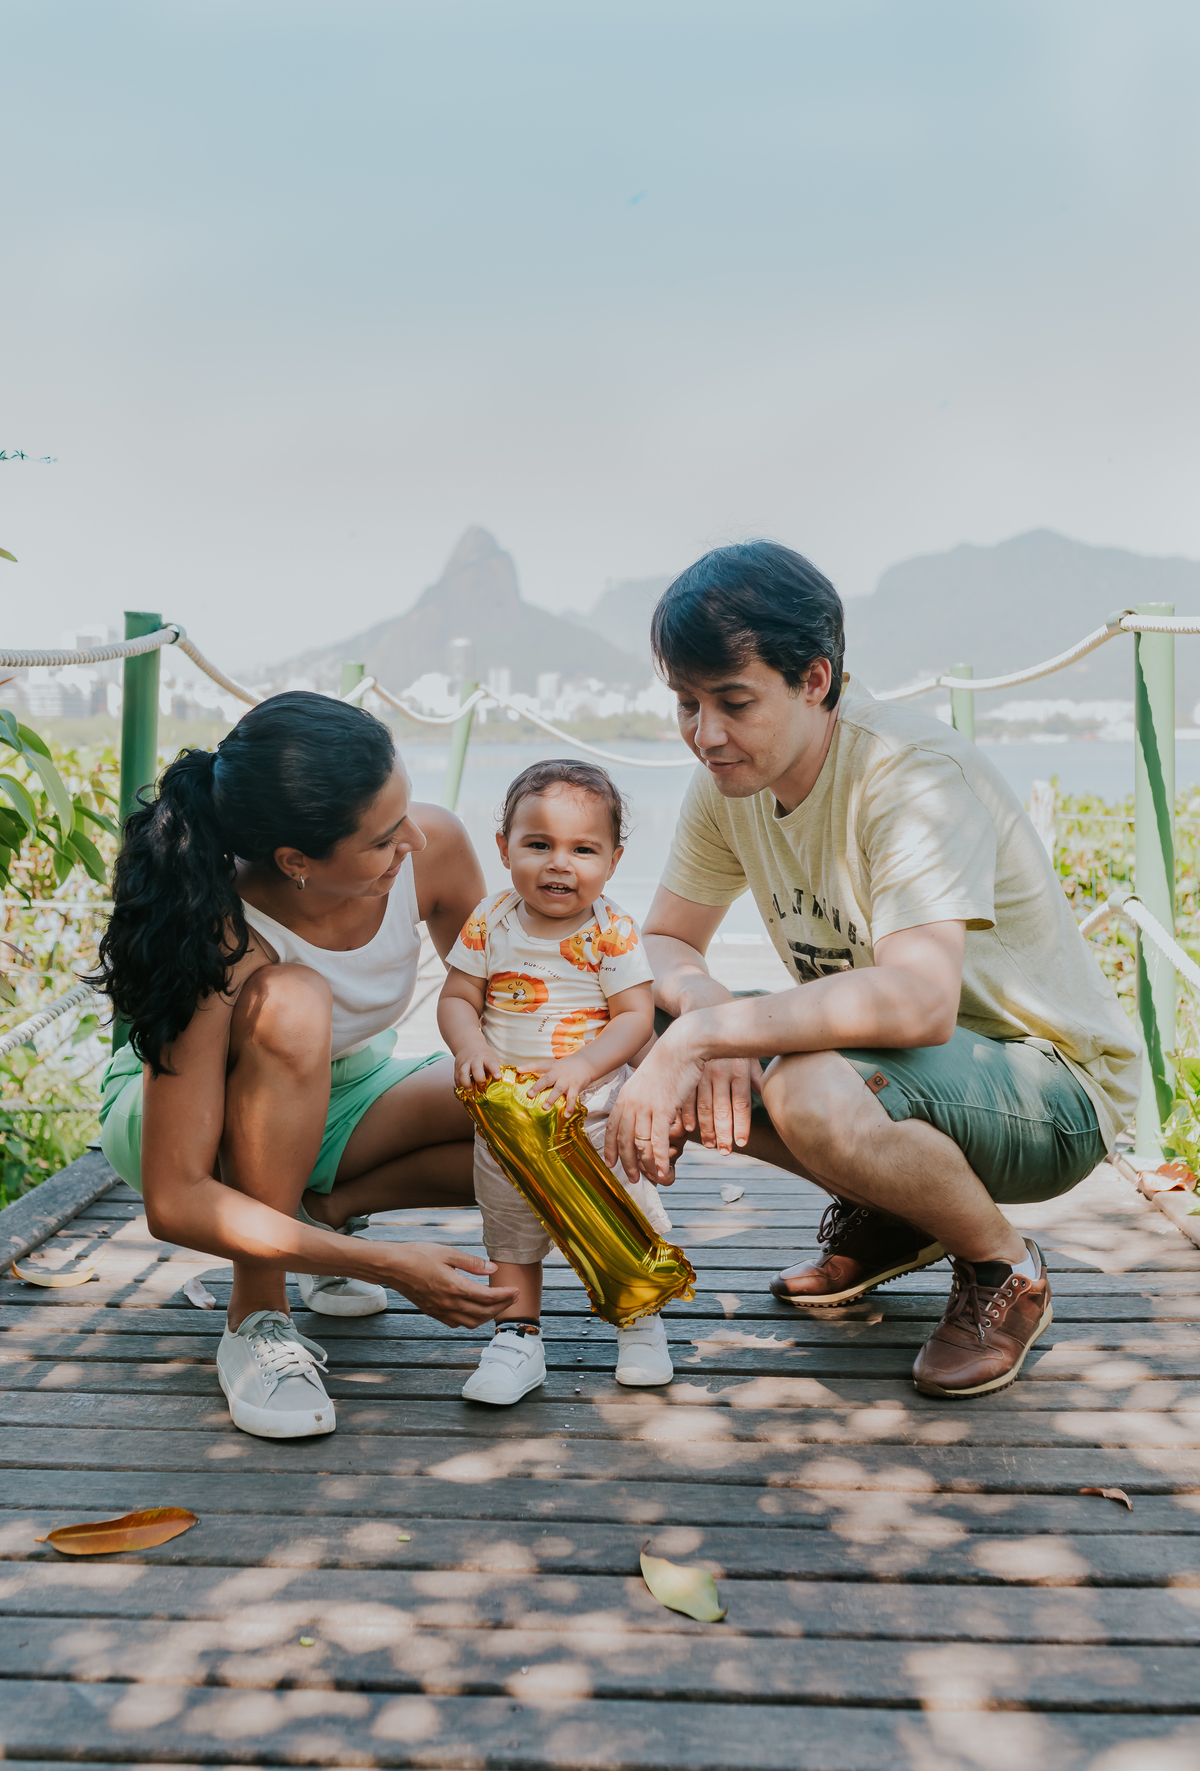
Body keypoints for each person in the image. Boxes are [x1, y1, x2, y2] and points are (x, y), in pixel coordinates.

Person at [606, 541, 1140, 1399]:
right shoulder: (728, 782)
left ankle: (1003, 1266)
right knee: (651, 1021)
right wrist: (700, 1007)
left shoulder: (909, 775)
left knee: (802, 1084)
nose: (705, 735)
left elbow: (921, 1001)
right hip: (909, 1075)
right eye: (686, 704)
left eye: (733, 702)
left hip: (1048, 1088)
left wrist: (713, 1033)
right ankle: (897, 1211)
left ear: (814, 680)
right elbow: (663, 941)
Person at [93, 691, 517, 1440]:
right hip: (188, 1125)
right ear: (296, 862)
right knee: (292, 1000)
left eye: (408, 810)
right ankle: (257, 1316)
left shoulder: (434, 850)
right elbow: (177, 1199)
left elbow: (507, 1012)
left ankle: (313, 1212)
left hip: (342, 1086)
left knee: (525, 1123)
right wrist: (386, 1263)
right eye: (385, 838)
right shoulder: (220, 926)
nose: (415, 839)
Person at [438, 759, 674, 1404]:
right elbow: (458, 997)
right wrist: (470, 1044)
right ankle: (518, 1338)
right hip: (508, 1117)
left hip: (598, 1113)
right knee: (512, 1227)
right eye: (537, 845)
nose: (559, 864)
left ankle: (640, 1324)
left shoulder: (613, 931)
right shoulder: (491, 920)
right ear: (504, 848)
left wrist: (583, 1067)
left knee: (620, 1216)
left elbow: (634, 1017)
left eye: (583, 849)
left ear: (614, 860)